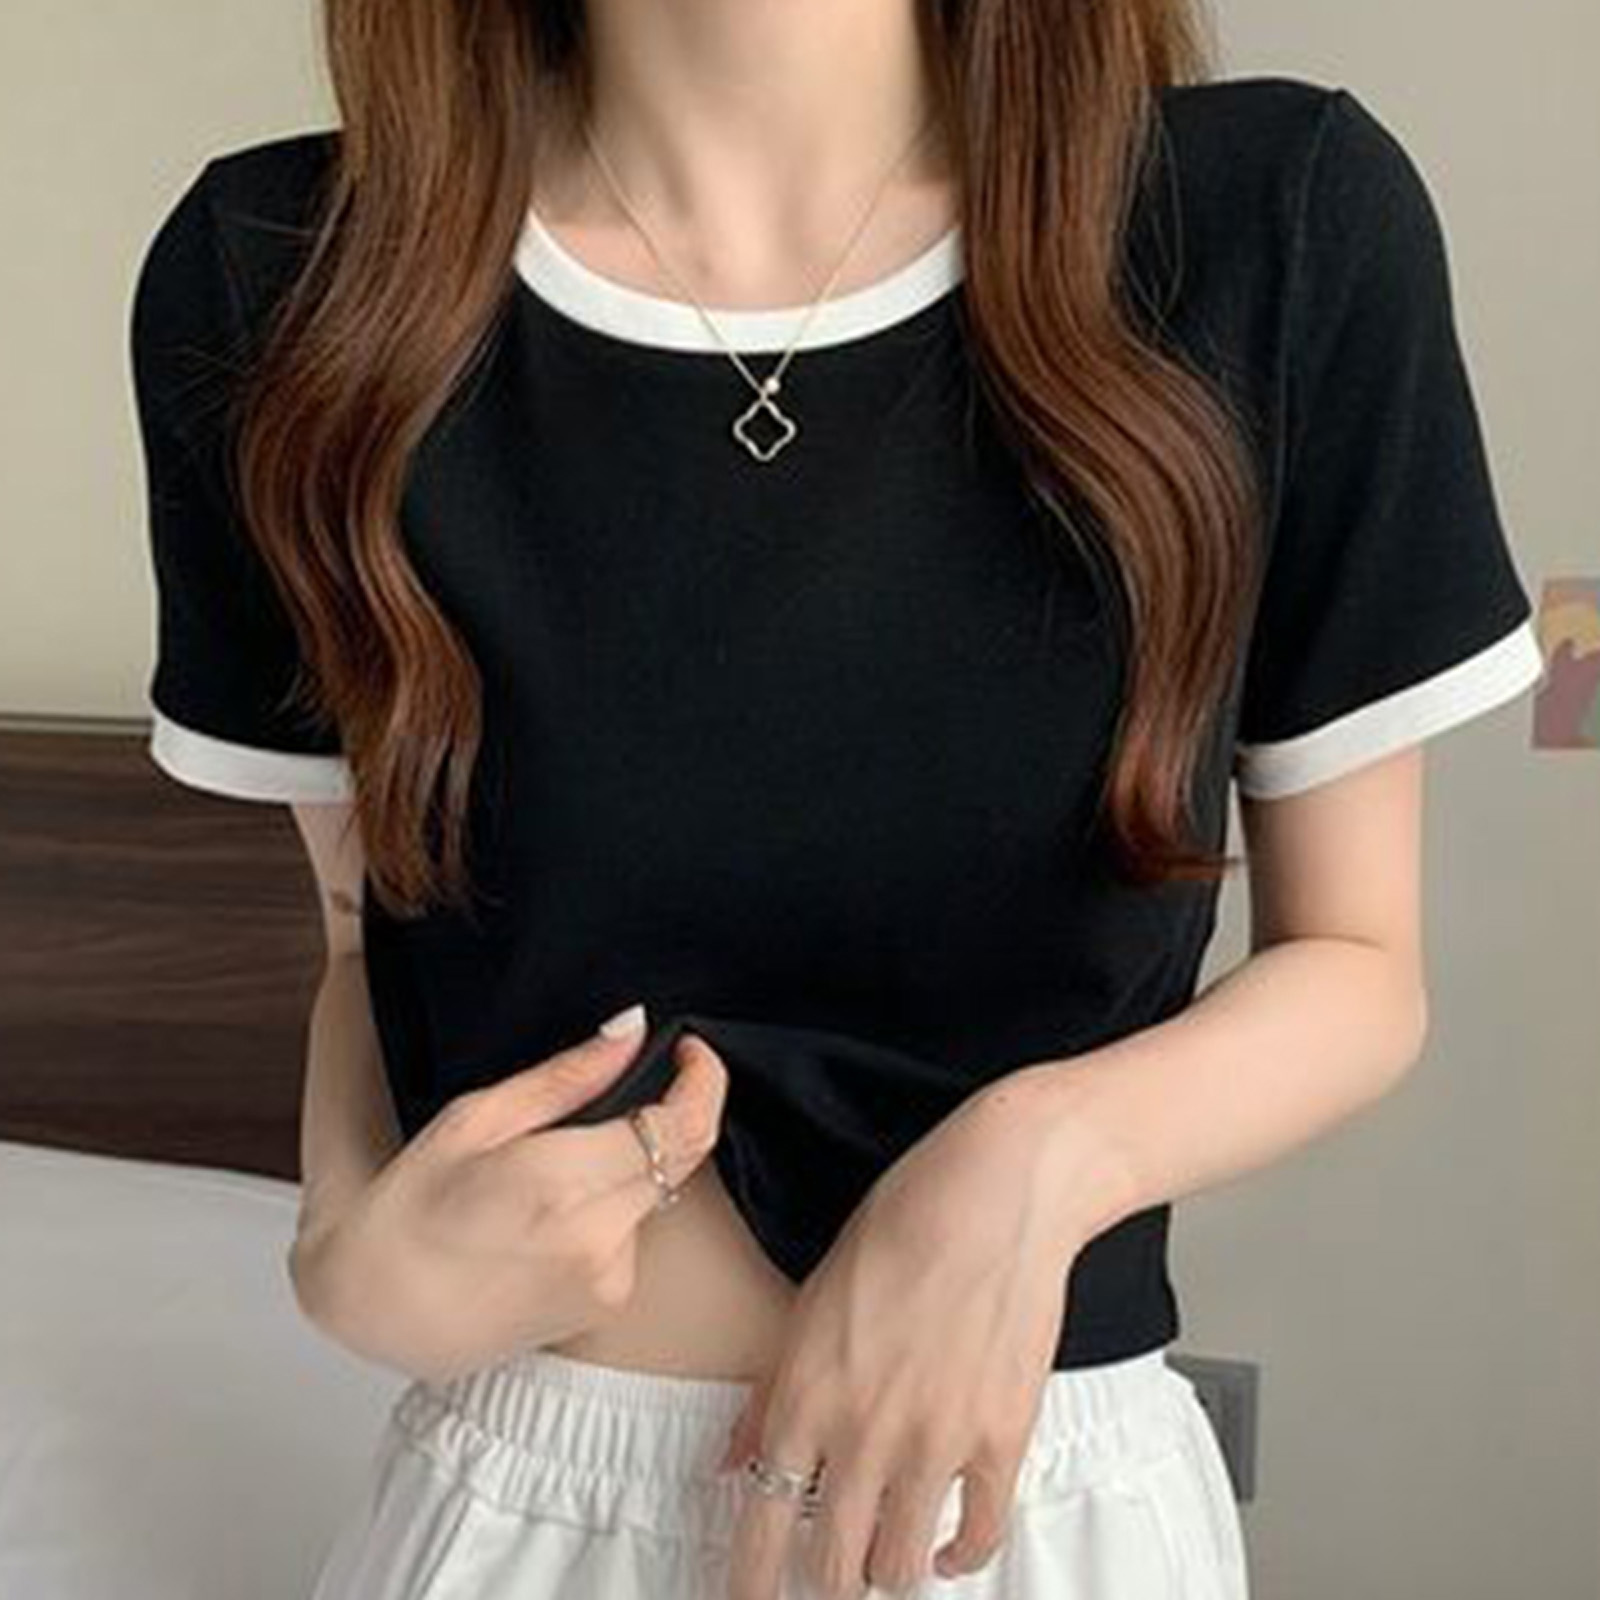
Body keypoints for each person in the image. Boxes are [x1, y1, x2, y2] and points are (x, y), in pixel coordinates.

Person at [130, 1, 1546, 1597]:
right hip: (518, 1502)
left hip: (1034, 1509)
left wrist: (1039, 1159)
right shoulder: (284, 277)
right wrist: (342, 1261)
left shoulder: (1273, 221)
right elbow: (357, 936)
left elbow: (1358, 967)